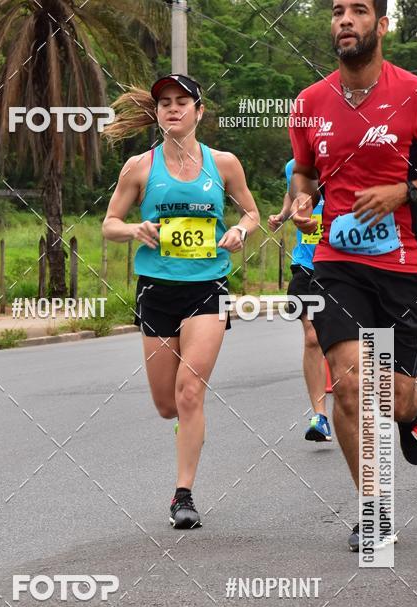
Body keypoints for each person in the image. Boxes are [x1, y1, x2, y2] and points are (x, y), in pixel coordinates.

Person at [288, 0, 417, 551]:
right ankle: (373, 508)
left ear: (381, 25)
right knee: (349, 383)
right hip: (338, 264)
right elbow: (304, 171)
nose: (345, 19)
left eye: (359, 10)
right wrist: (300, 199)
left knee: (401, 396)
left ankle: (414, 419)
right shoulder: (309, 102)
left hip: (407, 267)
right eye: (338, 10)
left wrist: (404, 192)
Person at [102, 74, 260, 528]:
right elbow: (109, 222)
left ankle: (183, 495)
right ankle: (182, 422)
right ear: (156, 113)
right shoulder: (139, 167)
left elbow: (249, 212)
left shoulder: (224, 163)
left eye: (182, 102)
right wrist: (134, 229)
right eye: (165, 103)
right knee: (168, 403)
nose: (173, 109)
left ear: (199, 112)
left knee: (190, 390)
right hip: (156, 289)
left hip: (207, 286)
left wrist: (239, 231)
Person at [268, 160, 332, 442]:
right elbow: (292, 191)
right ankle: (320, 416)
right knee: (311, 337)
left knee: (349, 342)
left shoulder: (347, 154)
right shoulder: (293, 166)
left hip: (344, 264)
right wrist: (284, 215)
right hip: (306, 264)